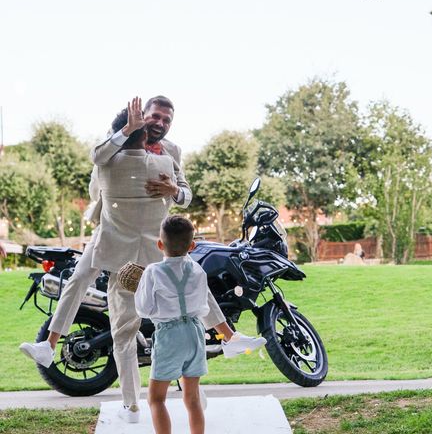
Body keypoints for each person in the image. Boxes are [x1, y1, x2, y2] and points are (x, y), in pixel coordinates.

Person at [21, 98, 265, 423]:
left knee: (183, 293)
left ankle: (226, 341)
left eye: (167, 118)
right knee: (90, 284)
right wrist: (127, 131)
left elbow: (187, 193)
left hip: (149, 238)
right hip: (112, 233)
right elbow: (99, 160)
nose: (161, 122)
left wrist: (174, 190)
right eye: (155, 116)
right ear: (143, 118)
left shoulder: (170, 152)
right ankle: (51, 346)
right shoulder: (117, 149)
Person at [134, 216, 210, 434]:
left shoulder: (152, 272)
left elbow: (144, 309)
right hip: (195, 332)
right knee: (192, 397)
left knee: (156, 398)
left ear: (160, 244)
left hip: (169, 336)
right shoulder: (198, 270)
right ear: (192, 245)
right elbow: (202, 305)